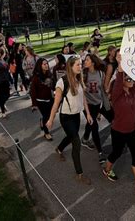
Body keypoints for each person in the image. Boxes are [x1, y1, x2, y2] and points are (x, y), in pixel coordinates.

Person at [102, 53, 135, 196]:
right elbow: (118, 81)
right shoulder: (116, 94)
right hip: (118, 131)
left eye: (133, 77)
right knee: (116, 152)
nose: (132, 80)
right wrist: (120, 66)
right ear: (123, 80)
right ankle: (107, 169)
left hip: (132, 131)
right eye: (128, 78)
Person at [46, 56, 94, 185]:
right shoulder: (62, 82)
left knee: (70, 136)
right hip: (66, 117)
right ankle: (80, 174)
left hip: (76, 116)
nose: (80, 66)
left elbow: (83, 99)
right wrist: (50, 120)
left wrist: (88, 114)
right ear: (70, 66)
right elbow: (56, 104)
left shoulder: (79, 79)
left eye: (80, 64)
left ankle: (59, 149)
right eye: (78, 65)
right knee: (76, 142)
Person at [80, 54, 108, 164]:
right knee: (94, 126)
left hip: (97, 103)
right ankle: (100, 153)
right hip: (87, 104)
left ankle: (85, 139)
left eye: (87, 60)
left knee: (90, 123)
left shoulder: (101, 73)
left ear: (92, 62)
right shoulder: (83, 74)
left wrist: (104, 105)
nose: (84, 61)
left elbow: (102, 89)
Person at [30, 58, 54, 140]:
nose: (46, 65)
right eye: (44, 64)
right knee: (47, 117)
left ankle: (42, 120)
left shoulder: (50, 75)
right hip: (40, 101)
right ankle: (46, 133)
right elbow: (33, 92)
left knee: (50, 116)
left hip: (50, 99)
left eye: (47, 63)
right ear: (40, 66)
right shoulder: (36, 78)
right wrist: (34, 104)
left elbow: (52, 86)